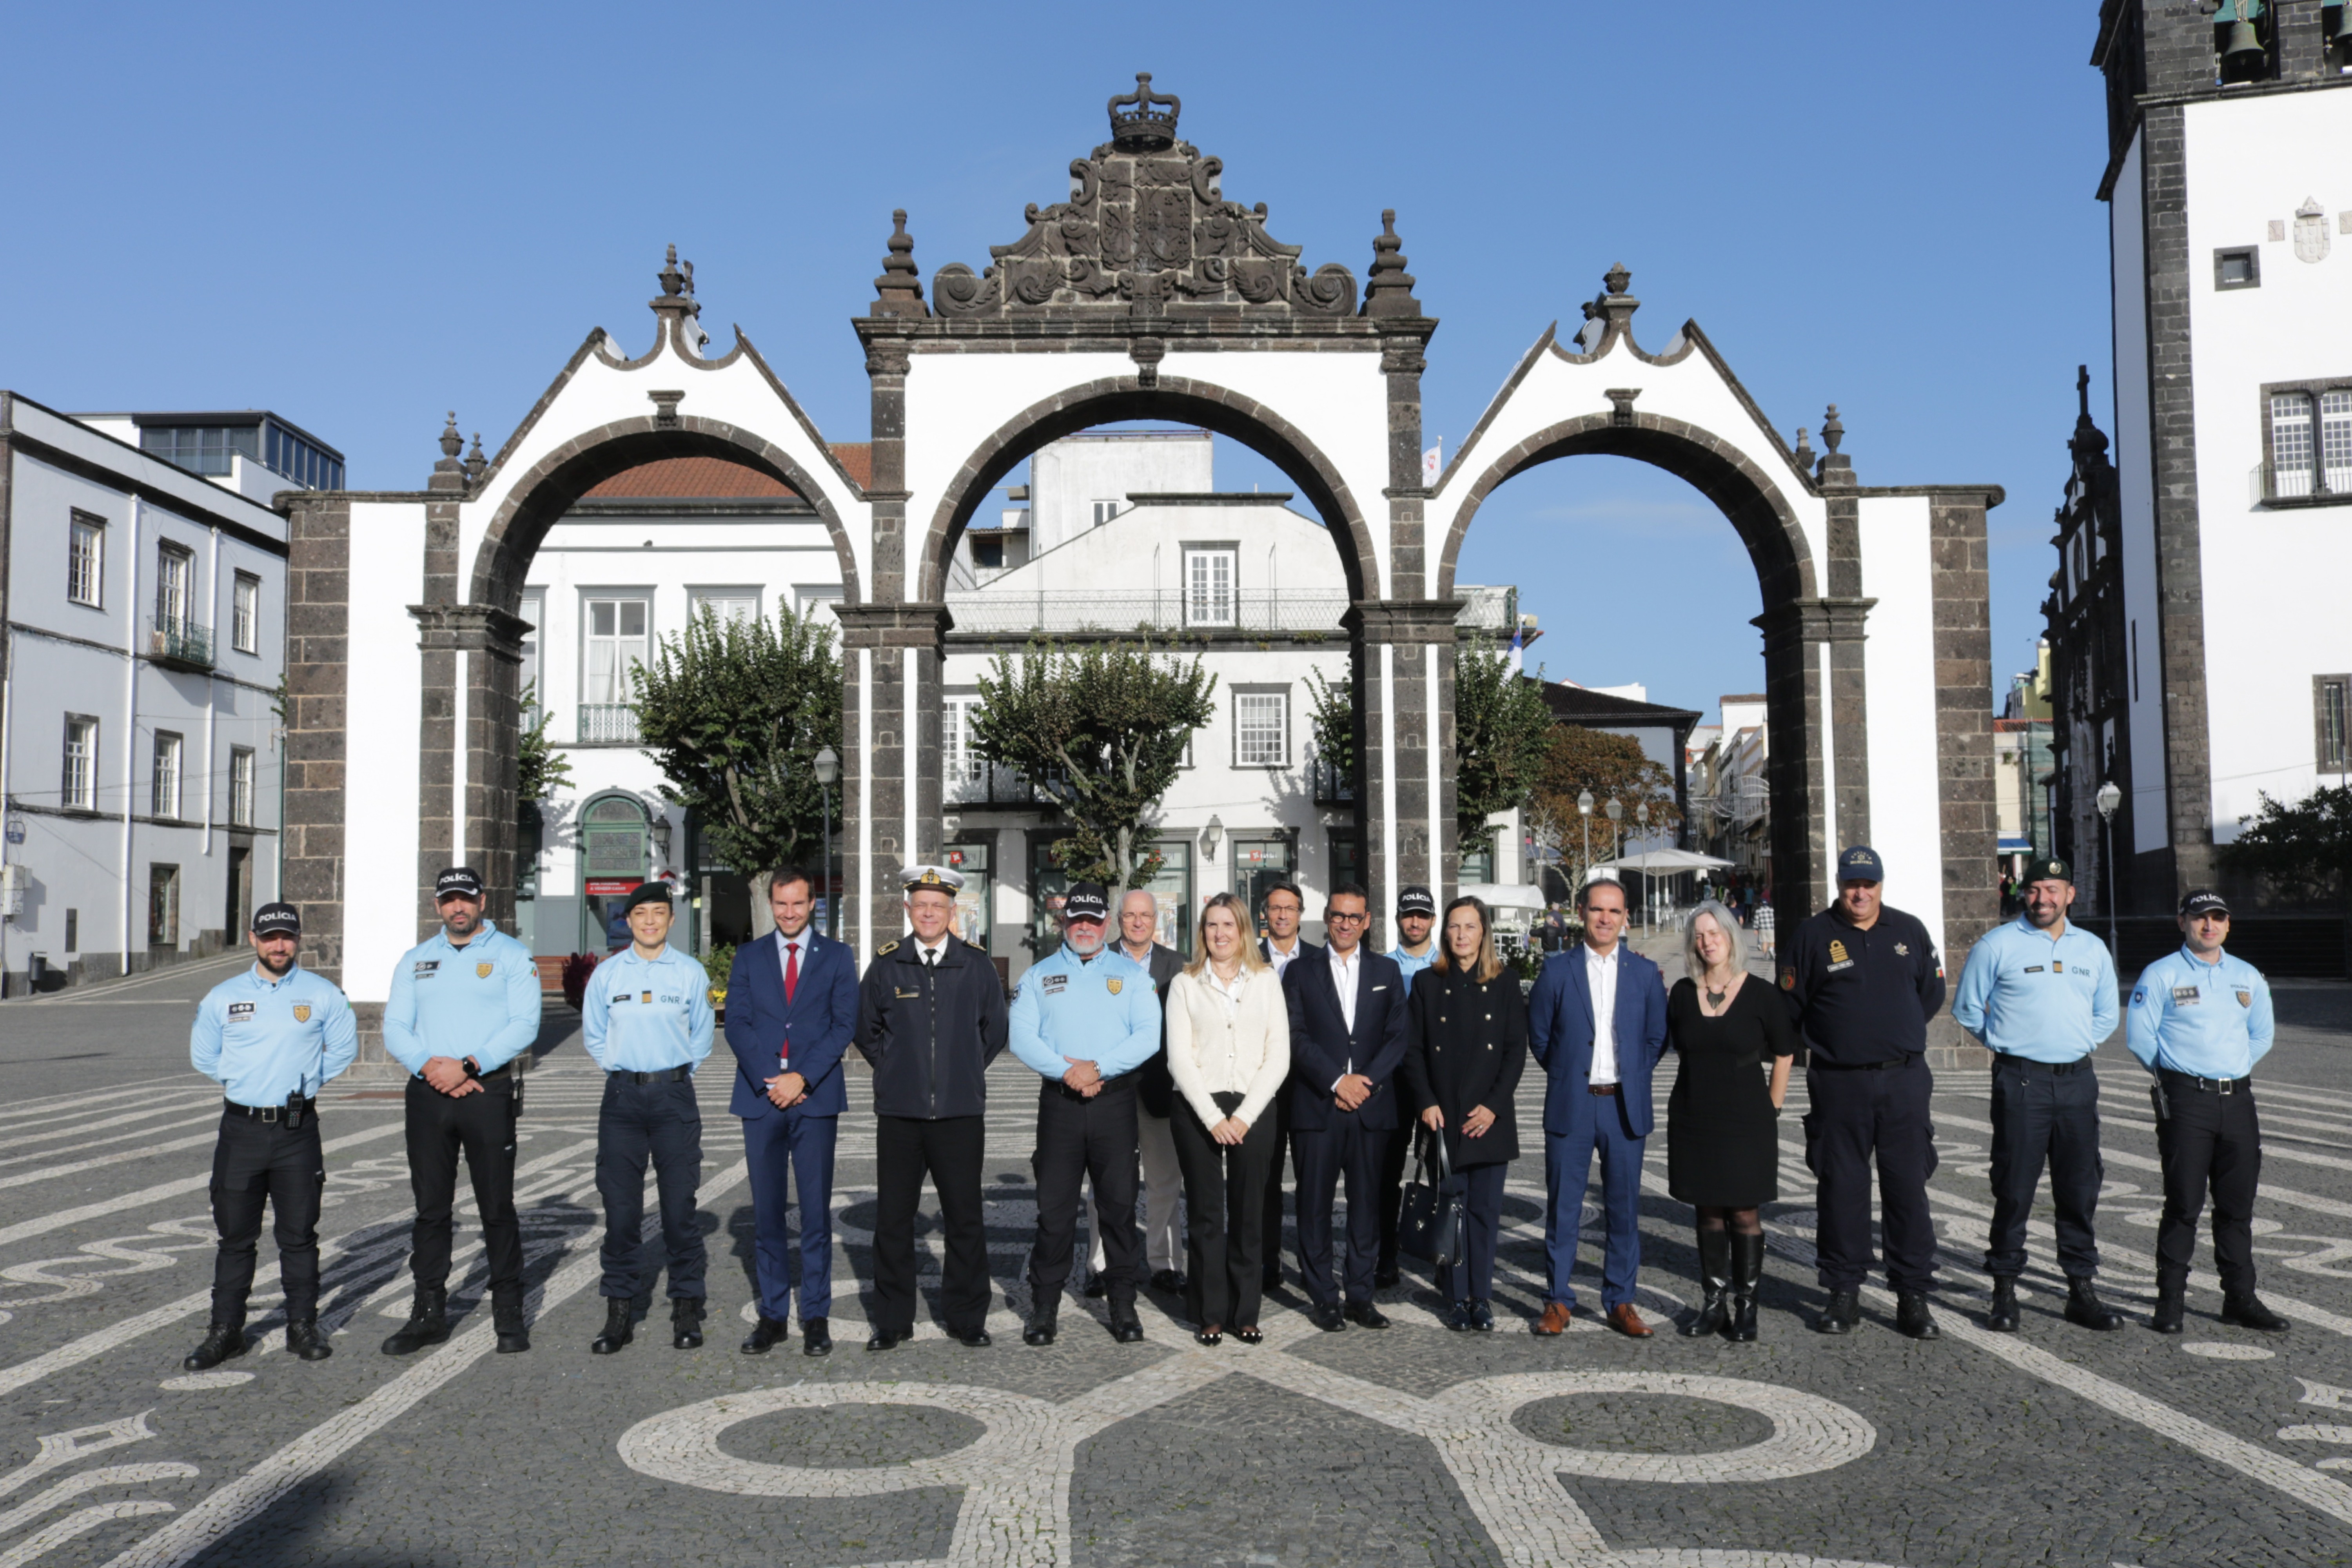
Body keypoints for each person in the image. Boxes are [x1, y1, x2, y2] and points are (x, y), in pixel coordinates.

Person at [181, 901, 359, 1371]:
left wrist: (304, 1085)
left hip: (297, 1132)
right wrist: (245, 1080)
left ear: (298, 939)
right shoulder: (223, 996)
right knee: (235, 1238)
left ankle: (303, 1326)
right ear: (253, 938)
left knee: (299, 1236)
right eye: (269, 937)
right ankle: (226, 1332)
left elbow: (343, 1048)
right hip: (240, 1130)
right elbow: (205, 1055)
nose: (278, 945)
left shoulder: (323, 994)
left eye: (287, 937)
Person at [1950, 856, 2124, 1334]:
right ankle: (2004, 1289)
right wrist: (2010, 1045)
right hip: (2021, 1082)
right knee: (2014, 1188)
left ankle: (2080, 1289)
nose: (2043, 898)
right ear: (2022, 894)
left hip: (2077, 1082)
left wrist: (2078, 1044)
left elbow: (2107, 1015)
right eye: (2035, 889)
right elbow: (1967, 1009)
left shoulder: (2092, 949)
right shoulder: (1997, 944)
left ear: (2070, 894)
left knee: (2079, 1187)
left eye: (2053, 889)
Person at [1782, 845, 1947, 1340]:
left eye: (1869, 884)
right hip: (1839, 1082)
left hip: (1904, 1080)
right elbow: (1791, 1005)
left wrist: (1894, 1031)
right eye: (1852, 884)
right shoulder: (1812, 934)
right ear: (1838, 884)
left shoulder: (1910, 930)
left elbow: (1931, 993)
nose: (1860, 893)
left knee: (1907, 1189)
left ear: (1881, 885)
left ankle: (1912, 1295)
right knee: (1841, 1189)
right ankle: (1843, 1291)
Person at [379, 866, 542, 1357]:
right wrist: (433, 1068)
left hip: (486, 1093)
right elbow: (395, 1027)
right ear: (437, 906)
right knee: (431, 1210)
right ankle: (429, 1312)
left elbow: (524, 1024)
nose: (458, 908)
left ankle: (508, 1312)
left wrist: (470, 1064)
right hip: (429, 1093)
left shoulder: (512, 956)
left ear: (482, 902)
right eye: (449, 900)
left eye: (466, 899)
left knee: (497, 1207)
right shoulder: (415, 959)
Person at [856, 864, 1009, 1350]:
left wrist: (960, 1070)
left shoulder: (977, 965)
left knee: (965, 1219)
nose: (928, 913)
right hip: (900, 1114)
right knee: (894, 1221)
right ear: (908, 909)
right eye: (920, 904)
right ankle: (892, 1320)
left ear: (952, 911)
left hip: (961, 1116)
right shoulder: (886, 964)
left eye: (937, 906)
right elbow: (865, 1030)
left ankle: (967, 1318)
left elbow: (996, 1032)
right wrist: (897, 1070)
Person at [2127, 889, 2289, 1334]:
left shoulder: (2247, 975)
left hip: (2237, 1099)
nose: (2209, 925)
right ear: (2182, 922)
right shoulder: (2161, 973)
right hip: (2187, 1100)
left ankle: (2240, 1299)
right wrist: (2185, 1076)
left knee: (2237, 1206)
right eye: (2200, 917)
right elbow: (2141, 1038)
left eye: (2218, 917)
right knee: (2183, 1203)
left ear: (2228, 925)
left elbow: (2262, 1035)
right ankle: (2171, 1301)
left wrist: (2229, 1070)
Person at [1008, 881, 1160, 1345]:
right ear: (1064, 921)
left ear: (1107, 924)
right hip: (1061, 1105)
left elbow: (1149, 1036)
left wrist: (1097, 1067)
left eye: (1094, 921)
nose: (1086, 928)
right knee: (1054, 1212)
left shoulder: (1132, 974)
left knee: (1117, 1208)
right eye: (1077, 919)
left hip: (1114, 1103)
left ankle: (1123, 1306)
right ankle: (1045, 1307)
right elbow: (1022, 1037)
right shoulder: (1038, 974)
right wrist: (1067, 1072)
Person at [725, 865, 858, 1358]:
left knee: (816, 1212)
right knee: (767, 1214)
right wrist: (771, 1077)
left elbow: (844, 1025)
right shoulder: (749, 955)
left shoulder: (838, 956)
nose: (789, 913)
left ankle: (817, 1314)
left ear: (813, 904)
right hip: (761, 1098)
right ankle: (774, 1314)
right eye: (781, 904)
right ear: (772, 904)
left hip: (815, 1096)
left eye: (798, 904)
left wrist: (801, 1077)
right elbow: (736, 1023)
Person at [1528, 878, 1668, 1338]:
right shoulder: (1557, 971)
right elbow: (1542, 1038)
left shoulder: (1645, 975)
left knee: (1624, 1209)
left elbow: (1655, 1038)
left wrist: (1630, 1074)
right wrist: (1572, 1072)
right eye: (1596, 910)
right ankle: (1558, 1300)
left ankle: (1620, 1300)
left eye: (1614, 910)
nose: (1605, 918)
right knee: (1563, 1207)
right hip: (1573, 1103)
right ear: (1580, 913)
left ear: (1626, 916)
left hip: (1623, 1106)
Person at [581, 880, 715, 1354]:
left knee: (680, 1209)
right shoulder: (608, 974)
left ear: (671, 920)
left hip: (674, 1097)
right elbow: (595, 1035)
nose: (651, 921)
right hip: (622, 1102)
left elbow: (702, 1035)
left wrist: (673, 1073)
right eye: (642, 915)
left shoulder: (690, 973)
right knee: (621, 1212)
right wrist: (626, 1070)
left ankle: (686, 1305)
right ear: (629, 921)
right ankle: (619, 1309)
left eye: (660, 913)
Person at [1165, 892, 1291, 1346]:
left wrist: (1245, 1116)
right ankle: (1208, 1312)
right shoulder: (1185, 984)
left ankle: (1246, 1311)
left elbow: (1279, 1055)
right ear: (1203, 933)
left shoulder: (1265, 980)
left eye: (1228, 925)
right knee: (1205, 1214)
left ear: (1243, 932)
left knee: (1248, 1213)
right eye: (1211, 926)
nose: (1220, 934)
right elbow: (1179, 1059)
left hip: (1254, 1105)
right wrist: (1215, 1118)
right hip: (1199, 1106)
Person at [1664, 900, 1794, 1342]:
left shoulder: (1761, 993)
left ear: (1730, 936)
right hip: (1694, 1115)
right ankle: (1714, 1303)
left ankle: (1747, 1305)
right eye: (1699, 935)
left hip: (1747, 1120)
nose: (1707, 941)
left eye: (1714, 932)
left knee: (1743, 1210)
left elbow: (1785, 1051)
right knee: (1708, 1210)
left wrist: (1773, 1106)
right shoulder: (1683, 993)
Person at [1283, 882, 1410, 1331]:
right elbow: (1294, 1035)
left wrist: (1365, 1083)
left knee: (1367, 1207)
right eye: (1338, 916)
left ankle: (1360, 1293)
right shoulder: (1299, 972)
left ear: (1368, 922)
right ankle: (1323, 1296)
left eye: (1355, 917)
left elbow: (1399, 1036)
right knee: (1314, 1206)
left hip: (1371, 1108)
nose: (1345, 924)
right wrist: (1337, 1080)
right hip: (1318, 1106)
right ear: (1327, 917)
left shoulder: (1387, 971)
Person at [1401, 895, 1527, 1332]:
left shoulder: (1507, 982)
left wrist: (1493, 1106)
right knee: (1451, 1210)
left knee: (1485, 1214)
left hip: (1489, 1118)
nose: (1461, 935)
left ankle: (1482, 1296)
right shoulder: (1426, 983)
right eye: (1454, 927)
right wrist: (1426, 1101)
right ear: (1444, 932)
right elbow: (1413, 1051)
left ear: (1484, 933)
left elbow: (1515, 1051)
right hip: (1444, 1118)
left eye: (1470, 927)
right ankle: (1455, 1297)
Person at [1084, 888, 1185, 1298]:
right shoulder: (1095, 960)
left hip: (1160, 1089)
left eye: (1146, 915)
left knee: (1165, 1181)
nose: (1139, 922)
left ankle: (1163, 1263)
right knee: (1106, 1184)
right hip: (1110, 1090)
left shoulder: (1177, 965)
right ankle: (1100, 1264)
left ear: (1156, 920)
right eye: (1130, 916)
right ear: (1119, 920)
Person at [1375, 884, 1440, 1287]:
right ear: (1398, 919)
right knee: (1387, 1173)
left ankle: (1444, 1254)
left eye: (1422, 915)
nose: (1415, 922)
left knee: (1442, 1173)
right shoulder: (1381, 967)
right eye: (1408, 915)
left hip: (1437, 1087)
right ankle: (1386, 1254)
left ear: (1433, 919)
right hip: (1394, 1084)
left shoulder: (1451, 964)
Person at [1257, 880, 1307, 1292]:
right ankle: (1266, 1261)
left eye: (1289, 908)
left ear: (1300, 914)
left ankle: (1312, 1263)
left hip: (1309, 1086)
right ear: (1265, 914)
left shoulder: (1321, 960)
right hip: (1261, 1088)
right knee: (1265, 1181)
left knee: (1312, 1180)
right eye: (1275, 908)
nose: (1282, 915)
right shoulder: (1247, 958)